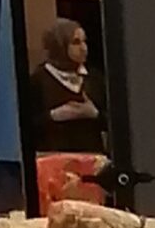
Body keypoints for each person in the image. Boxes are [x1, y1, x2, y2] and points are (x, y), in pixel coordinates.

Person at [32, 18, 105, 152]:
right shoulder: (39, 80)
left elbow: (115, 122)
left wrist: (94, 113)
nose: (84, 48)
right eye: (76, 42)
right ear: (59, 45)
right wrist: (54, 116)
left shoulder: (94, 78)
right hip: (54, 157)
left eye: (84, 41)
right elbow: (27, 125)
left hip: (92, 156)